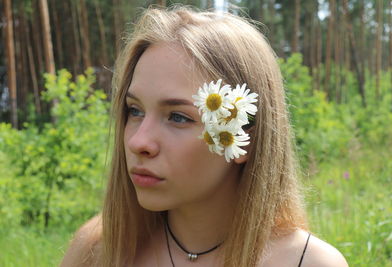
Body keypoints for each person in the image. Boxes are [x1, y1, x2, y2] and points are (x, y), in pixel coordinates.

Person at [61, 6, 348, 267]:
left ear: (244, 137)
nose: (139, 142)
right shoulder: (99, 250)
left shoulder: (306, 263)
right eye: (134, 111)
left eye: (178, 117)